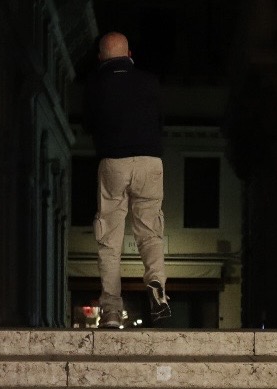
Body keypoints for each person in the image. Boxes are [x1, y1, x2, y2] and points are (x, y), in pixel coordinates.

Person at [84, 31, 169, 328]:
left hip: (113, 162)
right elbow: (160, 121)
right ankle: (158, 288)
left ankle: (110, 310)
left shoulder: (95, 85)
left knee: (109, 238)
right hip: (150, 162)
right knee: (150, 232)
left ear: (100, 57)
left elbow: (88, 123)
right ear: (130, 54)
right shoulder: (150, 82)